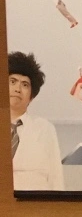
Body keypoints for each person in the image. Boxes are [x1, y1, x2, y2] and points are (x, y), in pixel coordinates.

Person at [8, 51, 64, 191]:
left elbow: (56, 178)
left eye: (25, 85)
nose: (17, 89)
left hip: (34, 202)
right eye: (12, 81)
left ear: (31, 97)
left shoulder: (45, 128)